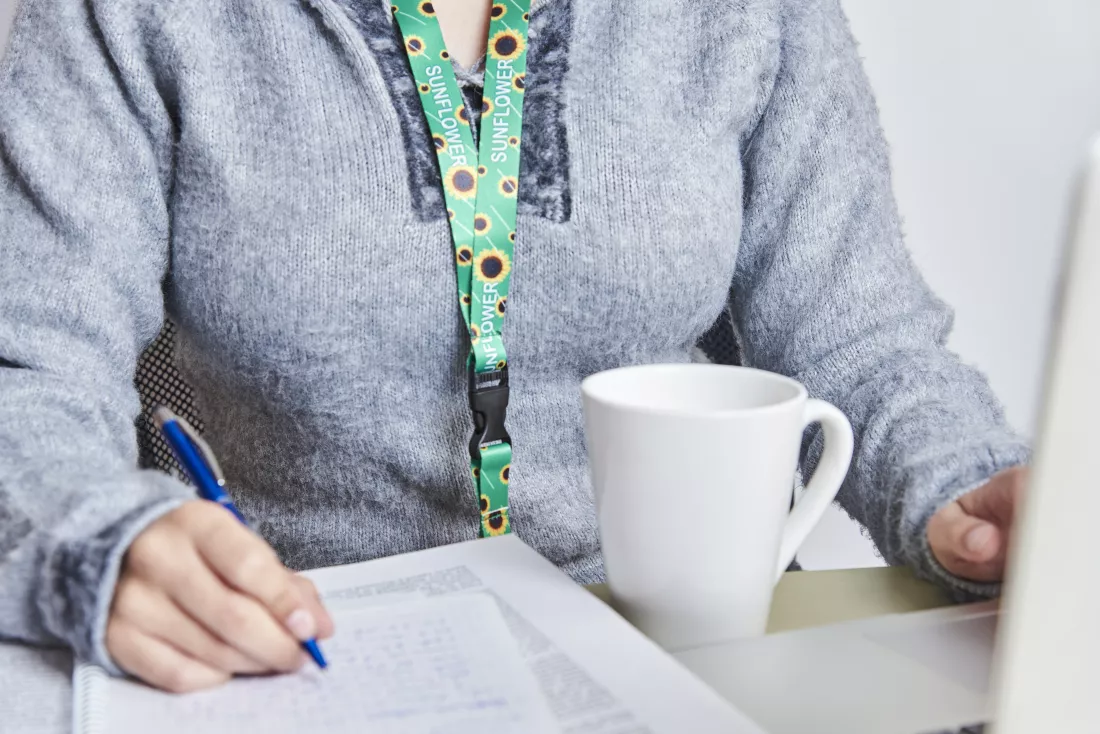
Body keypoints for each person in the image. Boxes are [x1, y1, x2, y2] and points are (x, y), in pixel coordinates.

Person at [0, 0, 1029, 694]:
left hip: (687, 666)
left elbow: (862, 335)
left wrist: (967, 492)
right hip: (297, 655)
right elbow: (28, 370)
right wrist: (96, 539)